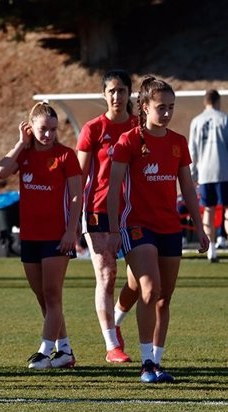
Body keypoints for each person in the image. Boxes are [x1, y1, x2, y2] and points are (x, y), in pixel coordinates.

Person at [107, 76, 209, 384]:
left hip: (170, 228)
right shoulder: (129, 141)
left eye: (171, 107)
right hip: (137, 226)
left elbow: (188, 189)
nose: (166, 113)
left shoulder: (178, 142)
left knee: (163, 297)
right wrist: (112, 232)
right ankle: (146, 363)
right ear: (145, 107)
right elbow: (113, 190)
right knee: (150, 288)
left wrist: (202, 229)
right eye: (160, 107)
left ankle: (158, 362)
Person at [0, 102, 82, 370]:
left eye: (53, 130)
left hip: (57, 237)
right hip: (30, 236)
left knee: (52, 294)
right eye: (43, 129)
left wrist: (71, 230)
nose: (49, 135)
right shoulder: (24, 155)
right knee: (43, 296)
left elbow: (77, 196)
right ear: (30, 127)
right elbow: (0, 172)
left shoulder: (66, 155)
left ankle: (44, 352)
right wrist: (21, 143)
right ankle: (64, 350)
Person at [77, 69, 137, 363]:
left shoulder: (140, 127)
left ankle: (115, 319)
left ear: (130, 94)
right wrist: (72, 219)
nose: (117, 96)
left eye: (122, 90)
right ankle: (112, 345)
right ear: (104, 94)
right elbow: (78, 177)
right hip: (98, 211)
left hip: (135, 213)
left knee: (140, 279)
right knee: (106, 275)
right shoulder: (93, 129)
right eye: (111, 91)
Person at [189, 89, 228, 263]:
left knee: (209, 210)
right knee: (227, 210)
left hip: (205, 173)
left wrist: (192, 172)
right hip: (224, 171)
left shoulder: (196, 121)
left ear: (205, 102)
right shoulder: (224, 118)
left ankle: (211, 249)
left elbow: (192, 150)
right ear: (218, 101)